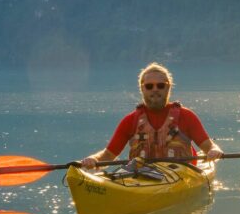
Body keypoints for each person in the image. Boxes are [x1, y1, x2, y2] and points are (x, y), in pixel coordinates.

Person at [80, 63, 223, 170]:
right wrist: (93, 159)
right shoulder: (130, 121)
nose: (155, 89)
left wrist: (214, 151)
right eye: (149, 86)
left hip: (182, 176)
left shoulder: (187, 116)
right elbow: (107, 156)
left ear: (168, 87)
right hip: (141, 177)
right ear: (142, 88)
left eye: (160, 85)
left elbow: (209, 146)